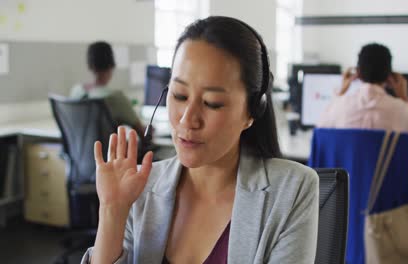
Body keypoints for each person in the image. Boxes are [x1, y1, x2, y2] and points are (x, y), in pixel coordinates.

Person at [81, 16, 319, 264]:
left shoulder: (292, 190)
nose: (187, 120)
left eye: (212, 103)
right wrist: (112, 210)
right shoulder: (139, 186)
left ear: (252, 111)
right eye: (179, 95)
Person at [317, 43, 408, 152]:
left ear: (358, 73)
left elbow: (319, 135)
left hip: (348, 170)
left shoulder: (340, 105)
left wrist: (340, 93)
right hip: (385, 171)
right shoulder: (400, 109)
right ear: (389, 76)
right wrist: (405, 99)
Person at [70, 41, 149, 142]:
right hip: (108, 156)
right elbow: (142, 133)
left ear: (89, 65)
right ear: (112, 65)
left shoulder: (76, 91)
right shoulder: (115, 97)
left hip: (79, 155)